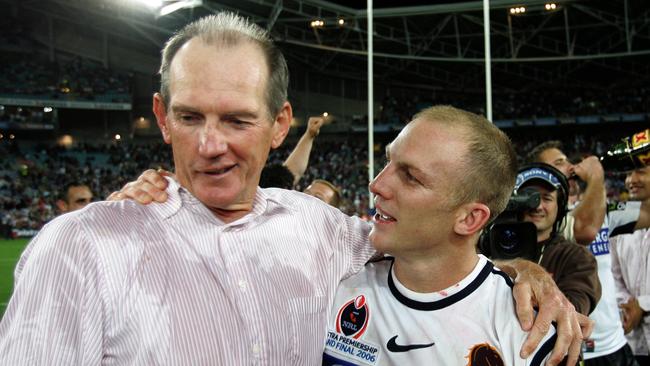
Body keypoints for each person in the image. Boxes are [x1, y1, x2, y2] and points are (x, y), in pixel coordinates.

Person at [0, 12, 583, 365]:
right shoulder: (77, 249)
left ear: (280, 124)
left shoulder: (322, 230)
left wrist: (525, 273)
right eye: (190, 116)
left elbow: (437, 250)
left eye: (236, 120)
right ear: (161, 115)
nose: (210, 145)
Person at [323, 106, 556, 365]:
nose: (376, 184)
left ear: (469, 218)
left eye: (411, 177)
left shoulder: (527, 332)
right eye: (388, 161)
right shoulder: (333, 277)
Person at [528, 142, 639, 366]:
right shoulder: (543, 220)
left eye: (568, 160)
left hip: (616, 343)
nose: (571, 166)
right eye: (559, 163)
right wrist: (596, 174)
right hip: (576, 349)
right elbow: (586, 229)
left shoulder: (599, 209)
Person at [516, 163, 601, 316]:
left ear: (560, 208)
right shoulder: (488, 246)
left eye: (547, 198)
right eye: (529, 196)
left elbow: (575, 311)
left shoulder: (576, 257)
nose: (538, 206)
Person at [609, 166, 650, 365]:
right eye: (627, 173)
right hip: (632, 339)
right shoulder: (620, 219)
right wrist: (628, 306)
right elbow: (613, 275)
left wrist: (642, 305)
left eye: (641, 171)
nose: (631, 180)